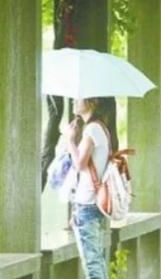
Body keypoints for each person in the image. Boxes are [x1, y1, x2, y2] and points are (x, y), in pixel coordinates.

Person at [67, 97, 111, 279]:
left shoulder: (92, 129)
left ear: (92, 103)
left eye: (79, 99)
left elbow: (79, 164)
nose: (74, 101)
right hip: (94, 203)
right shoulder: (102, 128)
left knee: (92, 264)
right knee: (97, 260)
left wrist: (69, 140)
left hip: (88, 204)